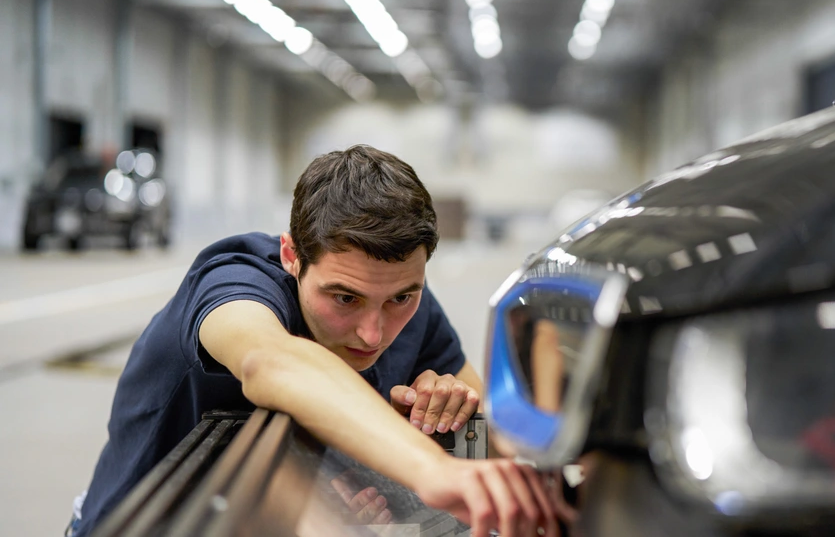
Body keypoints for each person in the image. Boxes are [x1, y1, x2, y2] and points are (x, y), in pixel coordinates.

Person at [71, 145, 557, 537]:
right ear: (291, 255)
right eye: (344, 298)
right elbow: (270, 361)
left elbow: (496, 444)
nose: (374, 331)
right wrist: (434, 472)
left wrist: (450, 410)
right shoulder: (236, 282)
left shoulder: (412, 308)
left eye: (402, 296)